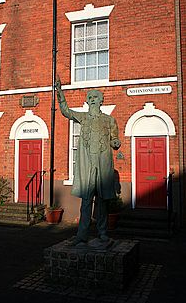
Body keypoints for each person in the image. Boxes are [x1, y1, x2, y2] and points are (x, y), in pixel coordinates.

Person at [55, 76, 121, 245]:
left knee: (102, 201)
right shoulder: (83, 117)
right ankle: (82, 235)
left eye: (95, 98)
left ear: (101, 101)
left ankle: (102, 232)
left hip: (102, 162)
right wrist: (60, 92)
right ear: (87, 102)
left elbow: (115, 138)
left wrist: (115, 142)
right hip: (87, 164)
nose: (92, 100)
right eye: (89, 98)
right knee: (86, 201)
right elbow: (66, 112)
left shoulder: (109, 120)